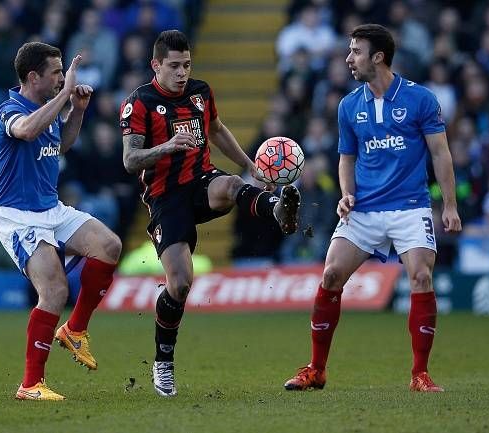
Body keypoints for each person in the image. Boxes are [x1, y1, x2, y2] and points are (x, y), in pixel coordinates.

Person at [120, 30, 301, 397]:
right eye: (174, 66)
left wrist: (251, 165)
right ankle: (163, 362)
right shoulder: (139, 103)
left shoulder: (201, 92)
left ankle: (279, 209)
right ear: (156, 65)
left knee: (232, 185)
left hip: (202, 182)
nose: (182, 72)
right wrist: (168, 145)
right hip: (165, 198)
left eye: (187, 64)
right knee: (181, 283)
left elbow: (216, 130)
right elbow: (129, 160)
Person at [283, 24, 462, 393]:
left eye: (356, 52)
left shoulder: (421, 99)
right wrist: (346, 193)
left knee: (421, 278)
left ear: (377, 57)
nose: (348, 59)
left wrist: (449, 205)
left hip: (410, 207)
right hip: (364, 209)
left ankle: (420, 375)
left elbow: (441, 153)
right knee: (331, 274)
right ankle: (316, 369)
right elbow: (346, 159)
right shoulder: (349, 105)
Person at [0, 42, 122, 400]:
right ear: (33, 77)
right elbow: (26, 132)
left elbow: (59, 145)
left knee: (109, 246)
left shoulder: (47, 110)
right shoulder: (9, 110)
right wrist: (64, 95)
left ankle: (75, 330)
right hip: (19, 216)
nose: (62, 78)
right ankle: (30, 384)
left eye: (63, 72)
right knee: (54, 289)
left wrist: (76, 112)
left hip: (52, 208)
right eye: (56, 72)